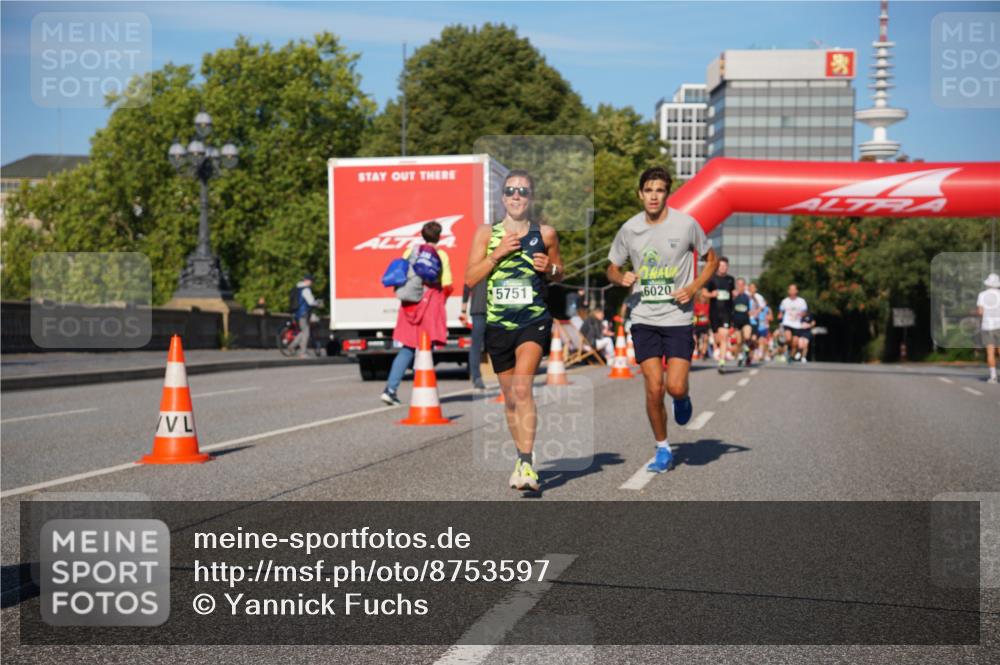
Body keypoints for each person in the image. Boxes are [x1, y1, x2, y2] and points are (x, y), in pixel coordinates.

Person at [607, 166, 718, 473]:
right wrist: (621, 277)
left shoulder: (686, 225)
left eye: (660, 190)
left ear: (667, 194)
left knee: (675, 387)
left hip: (678, 318)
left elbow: (712, 259)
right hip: (643, 316)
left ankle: (682, 399)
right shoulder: (629, 229)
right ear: (640, 193)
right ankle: (663, 448)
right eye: (649, 190)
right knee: (654, 388)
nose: (654, 196)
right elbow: (611, 268)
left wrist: (694, 287)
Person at [466, 170, 563, 492]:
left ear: (531, 197)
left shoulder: (545, 233)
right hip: (498, 325)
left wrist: (548, 268)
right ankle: (523, 457)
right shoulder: (486, 233)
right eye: (510, 191)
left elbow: (559, 273)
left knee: (522, 389)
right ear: (503, 197)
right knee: (509, 398)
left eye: (523, 191)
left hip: (533, 321)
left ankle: (525, 461)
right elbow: (469, 279)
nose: (516, 196)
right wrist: (496, 254)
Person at [380, 222, 452, 405]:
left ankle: (390, 389)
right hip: (430, 303)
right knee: (427, 346)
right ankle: (423, 390)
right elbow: (447, 283)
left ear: (422, 235)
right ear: (439, 236)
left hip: (410, 304)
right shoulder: (441, 255)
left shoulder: (410, 251)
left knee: (408, 347)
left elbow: (402, 274)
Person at [703, 257, 735, 373]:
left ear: (727, 267)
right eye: (721, 266)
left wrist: (734, 294)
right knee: (718, 338)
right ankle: (720, 350)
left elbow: (732, 294)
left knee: (725, 336)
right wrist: (712, 294)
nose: (723, 268)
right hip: (714, 313)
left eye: (725, 266)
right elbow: (704, 293)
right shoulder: (711, 279)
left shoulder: (730, 279)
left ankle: (722, 362)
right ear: (717, 267)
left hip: (726, 313)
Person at [461, 279, 487, 390]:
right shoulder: (477, 267)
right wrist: (463, 311)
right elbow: (467, 286)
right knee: (476, 346)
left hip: (482, 310)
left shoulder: (476, 268)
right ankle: (476, 377)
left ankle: (477, 378)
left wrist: (463, 310)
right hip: (480, 310)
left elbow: (466, 287)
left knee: (476, 346)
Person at [978, 272, 1000, 384]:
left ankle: (993, 376)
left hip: (988, 326)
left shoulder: (982, 295)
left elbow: (980, 312)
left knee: (990, 353)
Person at [289, 274, 319, 358]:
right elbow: (311, 302)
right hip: (303, 313)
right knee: (306, 333)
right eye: (311, 281)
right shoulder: (306, 290)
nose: (312, 283)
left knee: (303, 331)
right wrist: (318, 304)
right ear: (307, 281)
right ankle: (302, 353)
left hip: (297, 313)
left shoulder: (298, 288)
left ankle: (292, 346)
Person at [778, 284, 809, 362]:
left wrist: (800, 314)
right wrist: (780, 317)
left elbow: (805, 312)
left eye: (793, 289)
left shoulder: (801, 301)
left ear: (796, 291)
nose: (792, 291)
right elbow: (781, 312)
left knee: (795, 342)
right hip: (787, 323)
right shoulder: (785, 301)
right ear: (788, 291)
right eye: (790, 290)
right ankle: (786, 347)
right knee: (788, 338)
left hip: (797, 324)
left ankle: (791, 356)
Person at [732, 277, 753, 367]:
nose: (740, 286)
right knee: (739, 341)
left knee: (747, 337)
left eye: (742, 285)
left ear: (744, 286)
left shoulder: (747, 297)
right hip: (736, 322)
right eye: (738, 285)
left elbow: (755, 307)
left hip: (746, 321)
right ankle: (741, 356)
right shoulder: (733, 296)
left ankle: (747, 349)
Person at [692, 291, 711, 360]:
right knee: (696, 339)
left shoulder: (708, 305)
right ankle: (696, 351)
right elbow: (693, 314)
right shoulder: (696, 305)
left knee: (706, 339)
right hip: (697, 324)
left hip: (705, 324)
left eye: (705, 297)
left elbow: (709, 314)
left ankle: (703, 353)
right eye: (702, 297)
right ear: (699, 297)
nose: (704, 299)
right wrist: (698, 314)